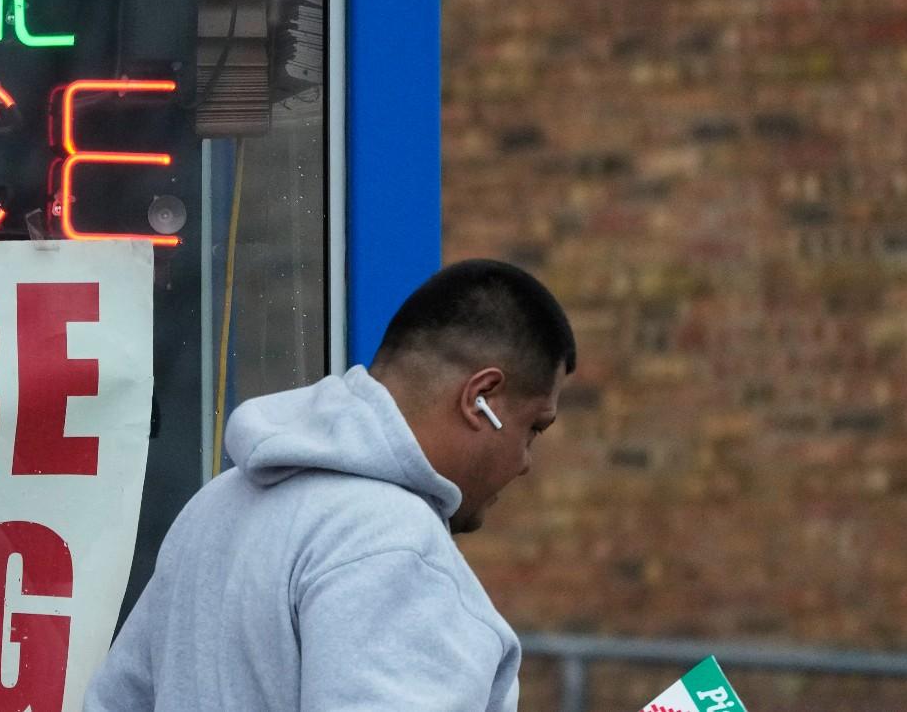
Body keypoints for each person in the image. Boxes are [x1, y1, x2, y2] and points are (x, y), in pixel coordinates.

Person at [85, 259, 575, 712]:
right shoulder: (393, 543)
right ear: (480, 398)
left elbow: (114, 703)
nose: (526, 462)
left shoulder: (215, 507)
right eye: (534, 427)